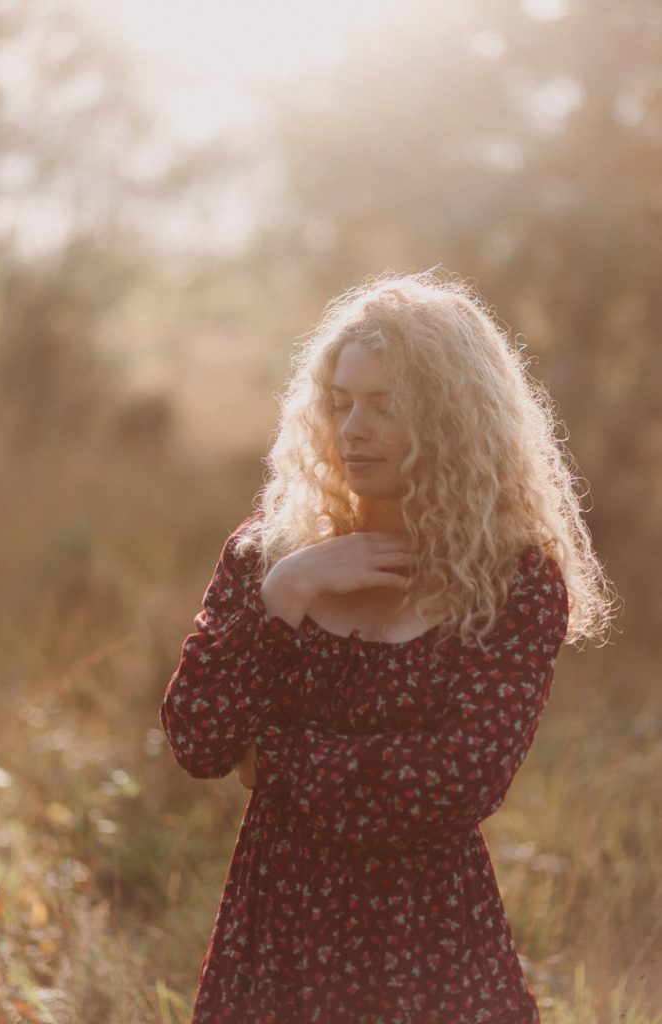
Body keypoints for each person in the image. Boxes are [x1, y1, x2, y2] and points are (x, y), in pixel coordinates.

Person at [159, 270, 616, 1024]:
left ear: (453, 417)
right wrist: (285, 594)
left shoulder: (514, 584)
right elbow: (198, 739)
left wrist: (271, 759)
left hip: (430, 948)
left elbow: (456, 782)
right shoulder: (265, 558)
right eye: (341, 404)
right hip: (276, 939)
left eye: (386, 403)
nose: (352, 429)